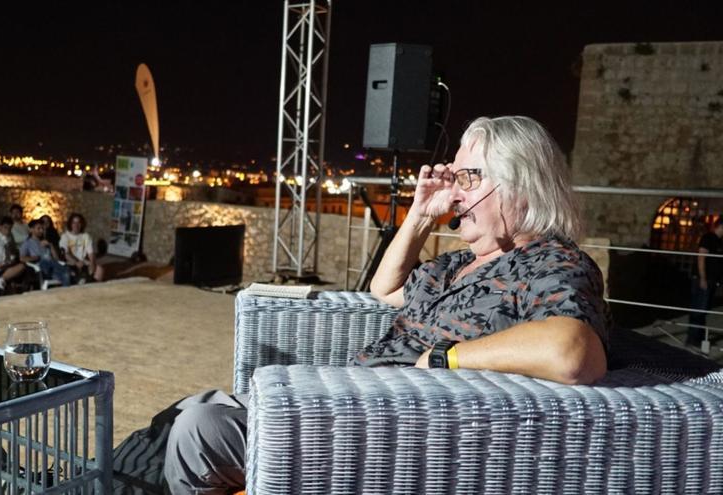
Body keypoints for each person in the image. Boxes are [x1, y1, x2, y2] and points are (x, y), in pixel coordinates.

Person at [113, 116, 612, 494]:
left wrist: (444, 359)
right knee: (184, 418)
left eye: (468, 178)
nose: (455, 196)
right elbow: (384, 287)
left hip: (385, 433)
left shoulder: (550, 264)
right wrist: (419, 214)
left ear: (520, 184)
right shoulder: (459, 263)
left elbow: (572, 350)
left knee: (202, 427)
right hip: (344, 404)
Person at [687, 219, 723, 347]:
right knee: (698, 309)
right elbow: (701, 257)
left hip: (710, 280)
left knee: (703, 309)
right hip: (703, 280)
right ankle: (693, 339)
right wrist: (702, 278)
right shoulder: (708, 237)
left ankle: (699, 337)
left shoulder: (719, 241)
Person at [20, 219, 71, 287]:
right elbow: (22, 258)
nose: (41, 231)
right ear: (31, 229)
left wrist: (50, 245)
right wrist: (36, 257)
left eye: (42, 229)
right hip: (40, 265)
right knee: (46, 259)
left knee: (65, 274)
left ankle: (65, 281)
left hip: (52, 265)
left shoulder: (45, 242)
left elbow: (56, 258)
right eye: (39, 228)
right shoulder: (27, 243)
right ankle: (67, 274)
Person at [60, 213, 103, 282]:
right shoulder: (65, 236)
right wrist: (76, 262)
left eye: (78, 222)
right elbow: (66, 253)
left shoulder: (86, 236)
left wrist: (92, 264)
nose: (76, 225)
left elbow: (91, 253)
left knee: (99, 269)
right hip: (71, 262)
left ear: (81, 224)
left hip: (83, 261)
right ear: (70, 224)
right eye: (74, 222)